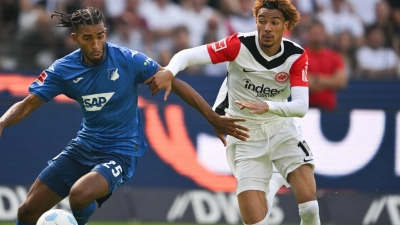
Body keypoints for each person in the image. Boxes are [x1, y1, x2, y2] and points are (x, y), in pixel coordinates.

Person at [0, 7, 250, 225]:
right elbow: (26, 105)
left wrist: (213, 118)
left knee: (79, 195)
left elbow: (174, 81)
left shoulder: (127, 60)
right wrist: (2, 122)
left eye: (100, 36)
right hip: (84, 146)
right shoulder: (64, 69)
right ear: (76, 38)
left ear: (105, 32)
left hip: (121, 151)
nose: (96, 45)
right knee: (27, 210)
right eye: (88, 38)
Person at [145, 0, 321, 224]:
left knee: (309, 207)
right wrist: (170, 71)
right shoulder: (238, 45)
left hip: (281, 129)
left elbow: (300, 106)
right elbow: (189, 55)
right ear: (256, 21)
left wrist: (269, 106)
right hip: (244, 134)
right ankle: (275, 178)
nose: (267, 27)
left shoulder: (295, 56)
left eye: (274, 22)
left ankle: (276, 178)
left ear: (285, 24)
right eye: (262, 21)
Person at [305, 20, 347, 111]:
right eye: (314, 33)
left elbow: (341, 82)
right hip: (306, 109)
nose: (317, 36)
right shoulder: (299, 56)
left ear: (324, 35)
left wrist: (316, 78)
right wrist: (330, 82)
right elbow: (300, 83)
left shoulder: (334, 56)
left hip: (329, 109)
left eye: (319, 33)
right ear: (308, 34)